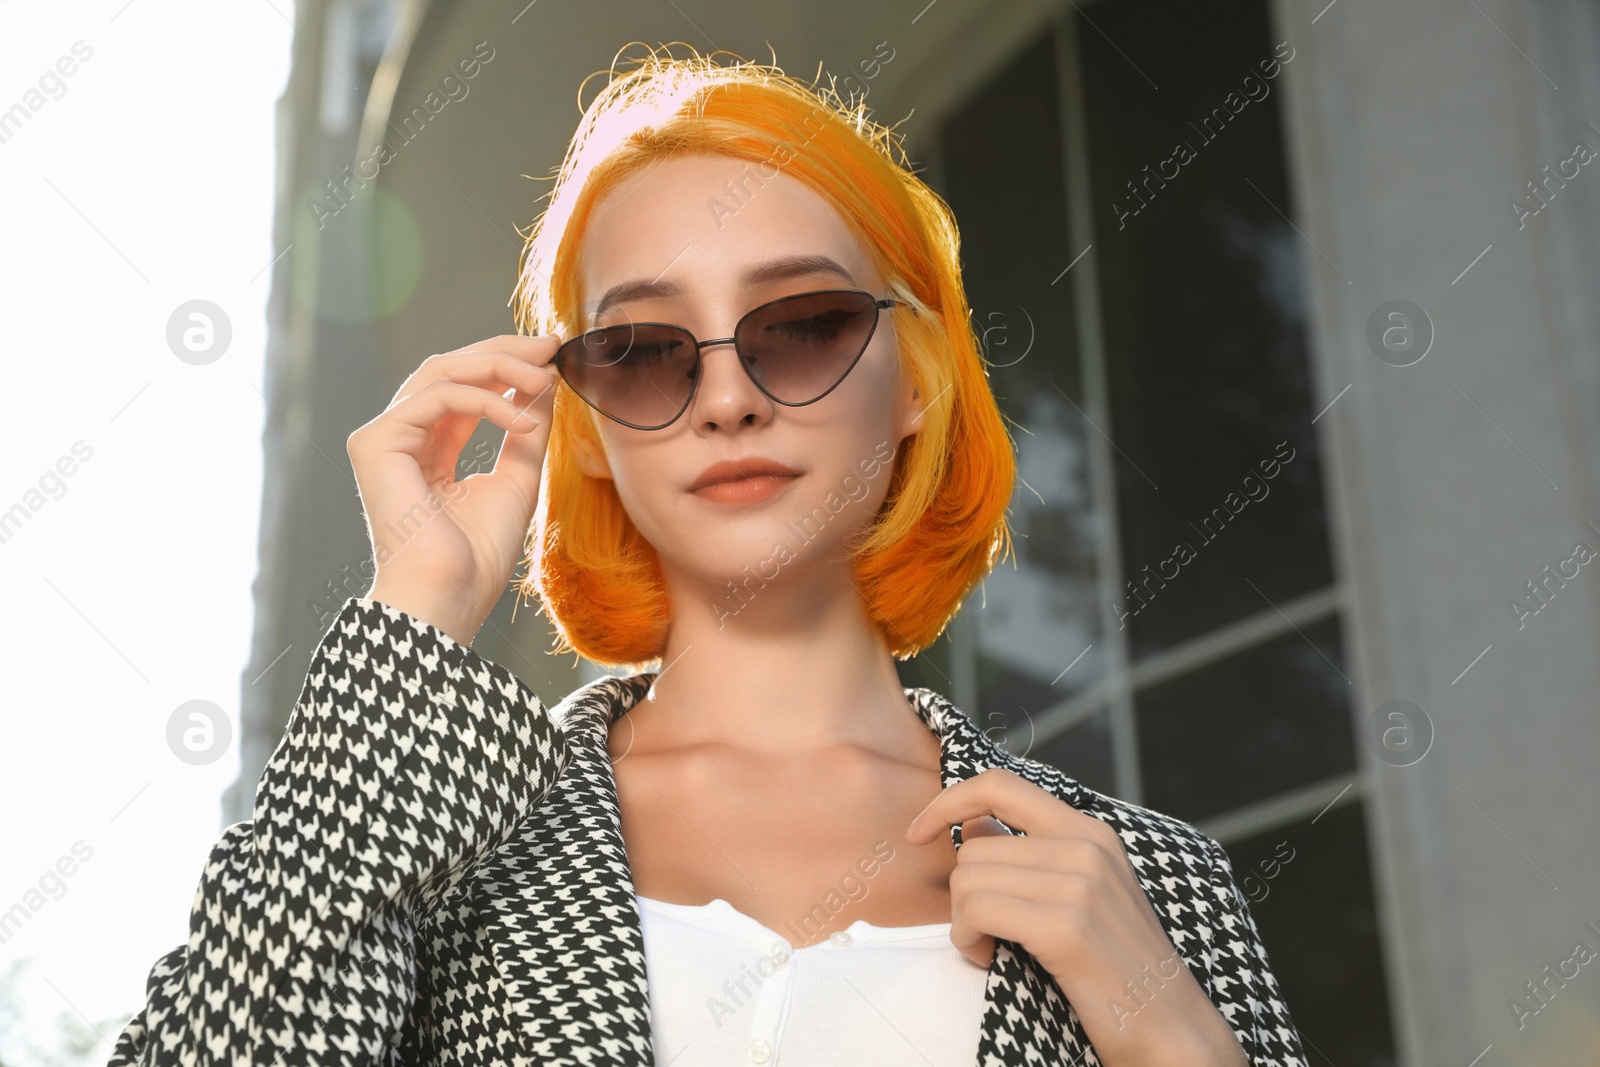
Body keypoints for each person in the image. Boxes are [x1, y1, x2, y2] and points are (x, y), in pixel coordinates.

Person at [108, 42, 1308, 1067]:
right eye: (640, 348)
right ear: (578, 425)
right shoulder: (433, 851)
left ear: (916, 379)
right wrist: (414, 610)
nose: (726, 398)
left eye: (800, 326)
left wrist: (1175, 1043)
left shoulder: (1146, 882)